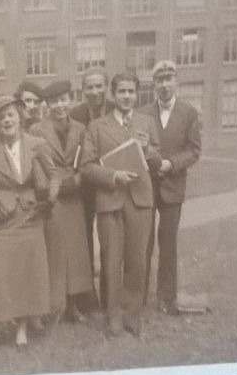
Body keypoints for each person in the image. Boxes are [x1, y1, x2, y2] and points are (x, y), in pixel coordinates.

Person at [82, 72, 163, 338]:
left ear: (137, 94)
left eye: (131, 91)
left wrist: (148, 149)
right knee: (110, 259)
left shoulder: (147, 122)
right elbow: (86, 166)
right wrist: (113, 176)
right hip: (110, 199)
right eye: (121, 92)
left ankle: (132, 316)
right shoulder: (97, 126)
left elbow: (157, 162)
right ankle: (113, 316)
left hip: (140, 199)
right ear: (112, 94)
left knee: (137, 260)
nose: (126, 96)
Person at [0, 98, 52, 350]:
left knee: (27, 274)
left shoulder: (36, 145)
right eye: (1, 118)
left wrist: (49, 201)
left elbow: (55, 176)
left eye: (11, 115)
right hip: (1, 219)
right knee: (0, 275)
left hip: (30, 217)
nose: (7, 121)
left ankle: (22, 328)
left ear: (20, 118)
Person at [139, 60, 203, 315]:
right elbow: (138, 146)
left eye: (169, 79)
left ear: (177, 81)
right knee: (143, 242)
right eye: (159, 80)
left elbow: (194, 150)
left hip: (173, 186)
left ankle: (166, 298)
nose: (164, 85)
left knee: (168, 243)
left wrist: (171, 164)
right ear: (153, 84)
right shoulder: (143, 113)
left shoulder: (188, 113)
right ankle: (138, 297)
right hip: (146, 186)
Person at [31, 80, 96, 323]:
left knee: (75, 251)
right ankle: (54, 306)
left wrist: (78, 180)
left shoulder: (80, 128)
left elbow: (87, 157)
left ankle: (72, 306)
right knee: (55, 251)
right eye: (54, 101)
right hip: (53, 198)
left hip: (74, 198)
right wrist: (51, 189)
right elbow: (35, 164)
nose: (60, 106)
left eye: (64, 100)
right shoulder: (37, 130)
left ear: (71, 100)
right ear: (47, 105)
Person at [69, 70, 113, 312]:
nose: (95, 92)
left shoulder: (116, 109)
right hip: (83, 187)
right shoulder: (75, 114)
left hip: (109, 185)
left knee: (111, 240)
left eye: (99, 86)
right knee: (83, 240)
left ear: (106, 87)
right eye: (90, 87)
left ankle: (110, 294)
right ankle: (87, 296)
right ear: (83, 89)